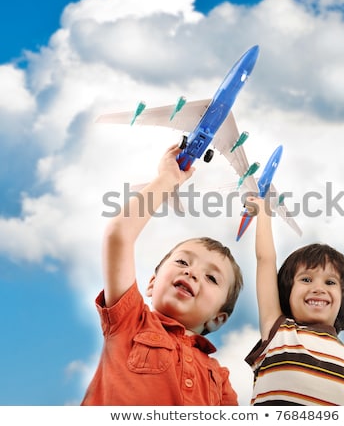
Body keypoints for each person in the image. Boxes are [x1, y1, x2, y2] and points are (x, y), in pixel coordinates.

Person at [81, 144, 243, 406]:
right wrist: (167, 179)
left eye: (211, 278)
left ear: (218, 319)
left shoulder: (219, 379)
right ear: (153, 282)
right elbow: (119, 235)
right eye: (182, 261)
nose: (191, 272)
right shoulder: (130, 321)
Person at [244, 196, 344, 406]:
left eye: (330, 282)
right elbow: (265, 260)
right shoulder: (278, 331)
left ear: (342, 298)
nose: (318, 288)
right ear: (287, 291)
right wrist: (263, 213)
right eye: (306, 279)